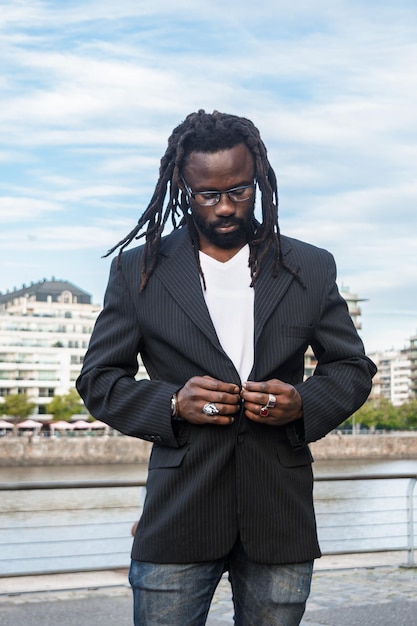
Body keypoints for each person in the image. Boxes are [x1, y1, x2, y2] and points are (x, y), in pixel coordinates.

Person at [76, 110, 376, 626]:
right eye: (207, 194)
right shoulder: (137, 270)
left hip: (279, 515)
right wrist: (170, 402)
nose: (224, 207)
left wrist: (303, 403)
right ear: (182, 187)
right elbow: (99, 379)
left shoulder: (310, 266)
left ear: (259, 180)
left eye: (239, 191)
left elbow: (351, 366)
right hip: (178, 515)